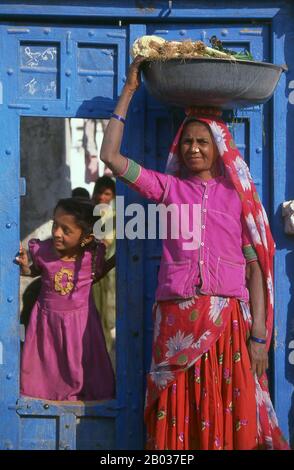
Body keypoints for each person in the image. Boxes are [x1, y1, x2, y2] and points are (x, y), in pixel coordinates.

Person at [99, 56, 289, 450]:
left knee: (226, 407)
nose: (194, 148)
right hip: (178, 320)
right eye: (187, 141)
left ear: (219, 147)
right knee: (179, 406)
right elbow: (111, 159)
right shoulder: (168, 189)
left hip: (227, 325)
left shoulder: (238, 198)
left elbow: (255, 269)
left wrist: (259, 339)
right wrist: (130, 89)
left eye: (203, 141)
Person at [16, 197, 115, 401]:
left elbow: (98, 274)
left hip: (80, 327)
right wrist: (26, 266)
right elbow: (34, 271)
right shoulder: (44, 251)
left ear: (86, 239)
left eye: (66, 230)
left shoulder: (91, 258)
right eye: (55, 225)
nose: (56, 233)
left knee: (80, 363)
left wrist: (116, 259)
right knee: (48, 363)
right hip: (47, 322)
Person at [92, 176, 116, 357]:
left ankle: (103, 353)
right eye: (100, 192)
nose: (102, 197)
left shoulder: (111, 215)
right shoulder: (89, 210)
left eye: (107, 194)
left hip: (100, 270)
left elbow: (105, 242)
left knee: (101, 314)